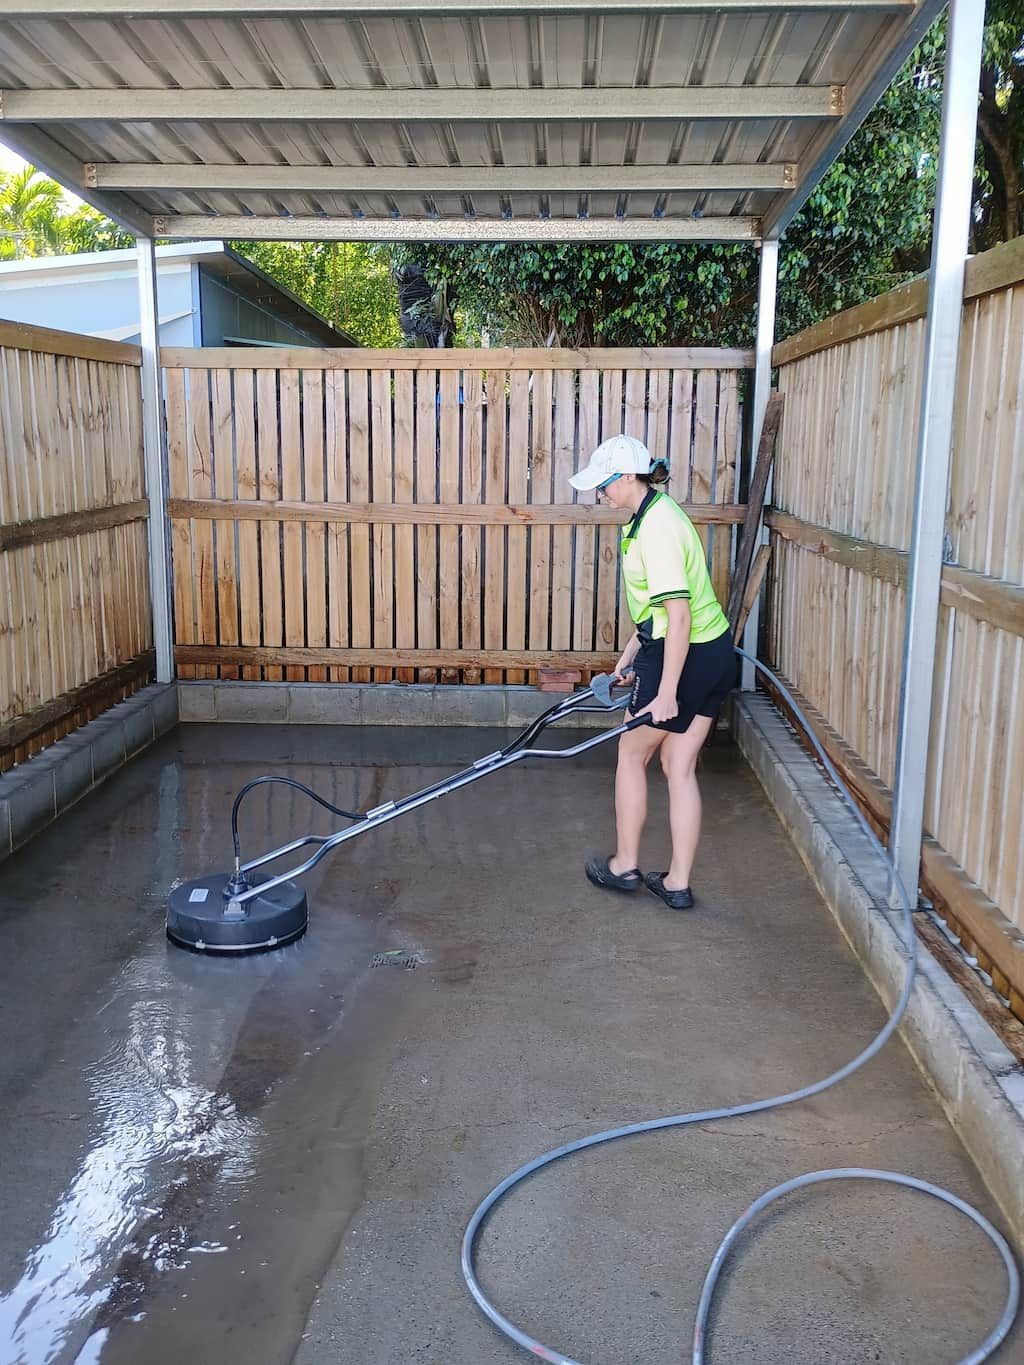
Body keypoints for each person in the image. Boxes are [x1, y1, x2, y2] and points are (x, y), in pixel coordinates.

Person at [568, 434, 735, 910]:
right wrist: (628, 656)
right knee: (678, 767)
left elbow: (678, 617)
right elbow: (657, 613)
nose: (600, 494)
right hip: (714, 650)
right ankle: (678, 882)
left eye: (604, 485)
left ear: (625, 478)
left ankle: (624, 865)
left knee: (630, 756)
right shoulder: (656, 513)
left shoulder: (655, 530)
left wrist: (665, 692)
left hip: (682, 658)